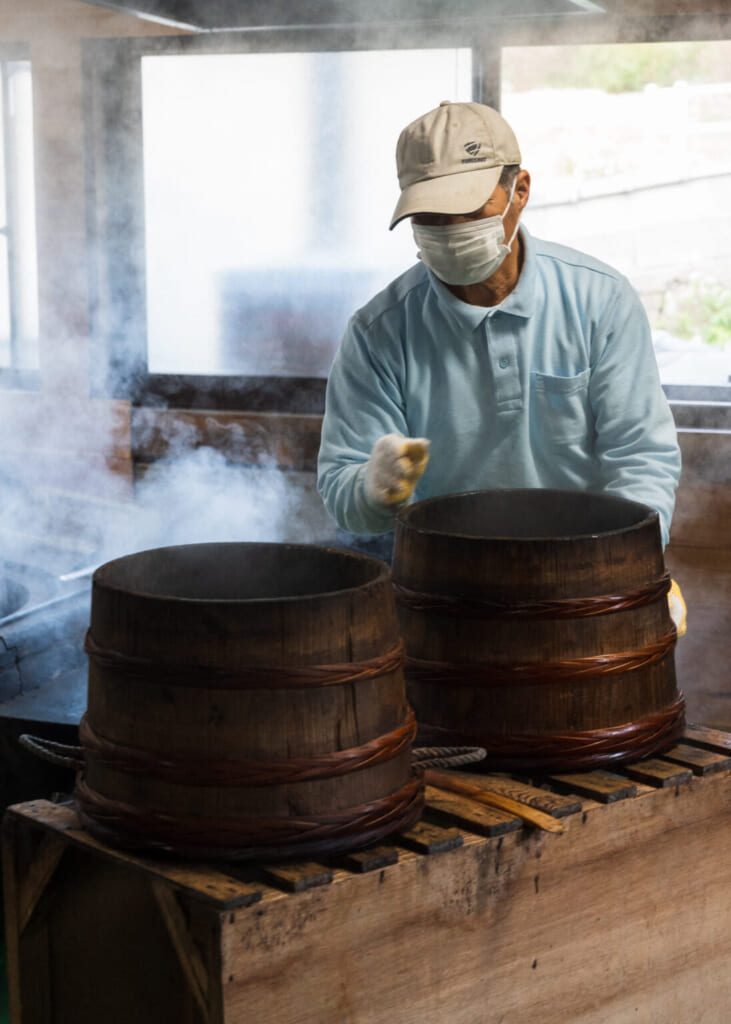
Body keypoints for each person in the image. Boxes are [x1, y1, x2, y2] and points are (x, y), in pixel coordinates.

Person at [317, 100, 682, 555]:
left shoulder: (599, 300)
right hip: (438, 571)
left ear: (520, 190)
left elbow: (639, 454)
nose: (451, 230)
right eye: (430, 216)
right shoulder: (380, 332)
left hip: (578, 558)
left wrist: (633, 559)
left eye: (469, 209)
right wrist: (372, 489)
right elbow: (342, 488)